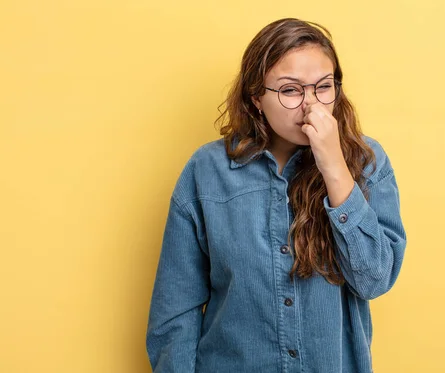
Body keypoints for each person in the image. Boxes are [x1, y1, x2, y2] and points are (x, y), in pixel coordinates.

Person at [146, 17, 408, 373]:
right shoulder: (206, 171)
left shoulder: (365, 163)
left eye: (324, 87)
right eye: (290, 90)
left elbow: (374, 279)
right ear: (256, 98)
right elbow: (175, 311)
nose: (311, 105)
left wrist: (333, 165)